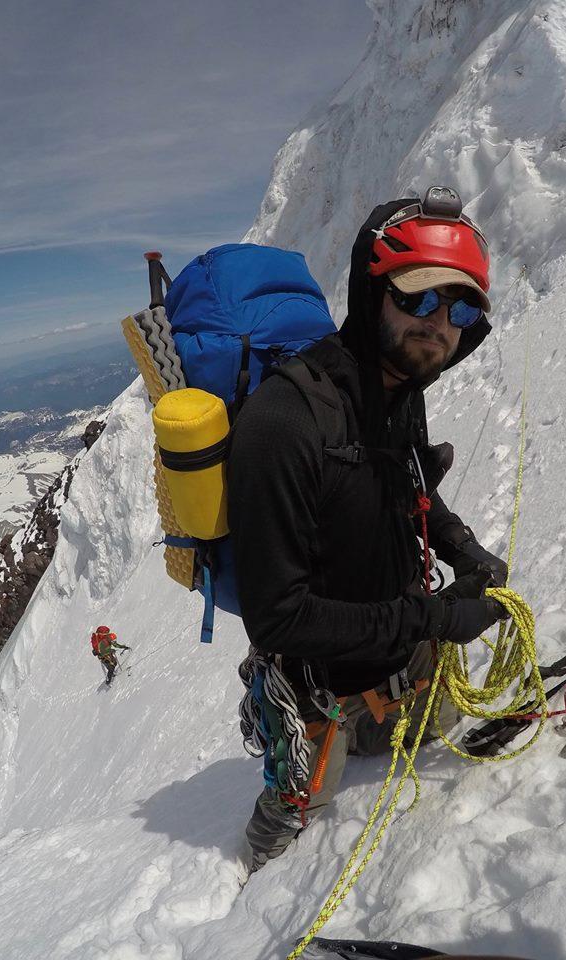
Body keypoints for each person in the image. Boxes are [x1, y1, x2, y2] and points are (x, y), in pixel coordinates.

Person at [227, 188, 510, 874]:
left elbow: (411, 486)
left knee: (439, 744)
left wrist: (464, 549)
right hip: (314, 683)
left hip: (403, 652)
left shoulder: (398, 391)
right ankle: (239, 884)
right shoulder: (283, 422)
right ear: (370, 289)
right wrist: (437, 614)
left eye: (461, 308)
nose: (439, 323)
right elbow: (278, 618)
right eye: (418, 298)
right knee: (291, 826)